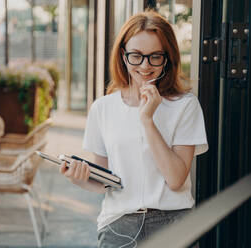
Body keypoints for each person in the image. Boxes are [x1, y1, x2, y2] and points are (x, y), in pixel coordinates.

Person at [59, 11, 208, 248]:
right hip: (119, 226)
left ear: (167, 58)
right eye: (136, 56)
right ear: (123, 56)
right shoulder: (103, 108)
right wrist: (79, 179)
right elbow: (107, 180)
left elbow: (176, 179)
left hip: (174, 224)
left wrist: (147, 120)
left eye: (155, 57)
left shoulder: (185, 106)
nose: (145, 66)